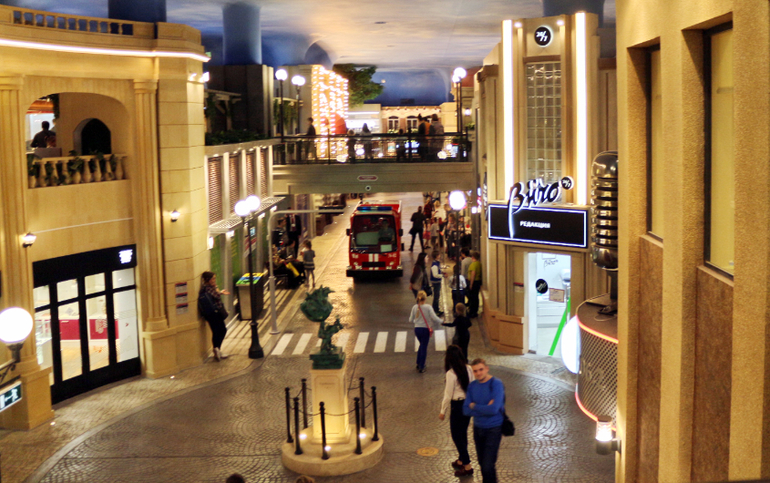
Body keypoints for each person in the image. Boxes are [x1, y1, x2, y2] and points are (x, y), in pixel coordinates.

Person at [463, 358, 505, 483]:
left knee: (487, 465)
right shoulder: (472, 386)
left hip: (493, 429)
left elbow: (494, 409)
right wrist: (485, 407)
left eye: (481, 369)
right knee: (483, 464)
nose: (479, 373)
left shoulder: (496, 384)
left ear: (487, 369)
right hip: (478, 429)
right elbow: (466, 410)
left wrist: (474, 406)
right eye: (475, 371)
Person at [439, 345, 474, 477]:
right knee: (462, 433)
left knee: (457, 436)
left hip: (457, 406)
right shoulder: (469, 368)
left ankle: (467, 465)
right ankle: (461, 460)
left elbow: (448, 395)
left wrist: (442, 411)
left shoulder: (451, 374)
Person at [198, 271, 230, 361]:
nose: (214, 280)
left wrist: (220, 292)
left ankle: (217, 350)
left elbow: (215, 295)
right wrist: (217, 288)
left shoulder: (206, 288)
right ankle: (217, 349)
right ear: (208, 280)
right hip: (215, 313)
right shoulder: (209, 288)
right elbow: (216, 295)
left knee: (217, 331)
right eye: (213, 279)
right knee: (221, 330)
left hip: (211, 314)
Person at [410, 290, 442, 373]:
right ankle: (421, 366)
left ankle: (418, 362)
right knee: (424, 347)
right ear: (425, 298)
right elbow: (434, 318)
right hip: (425, 330)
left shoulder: (414, 307)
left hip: (417, 329)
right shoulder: (428, 307)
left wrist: (417, 321)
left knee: (421, 345)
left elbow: (410, 319)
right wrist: (442, 321)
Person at [429, 250, 446, 317]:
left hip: (437, 282)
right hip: (436, 282)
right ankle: (435, 310)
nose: (440, 256)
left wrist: (442, 273)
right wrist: (442, 276)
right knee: (436, 297)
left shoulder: (437, 263)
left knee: (437, 296)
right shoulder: (434, 265)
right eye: (439, 255)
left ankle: (436, 309)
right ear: (436, 256)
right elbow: (435, 275)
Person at [468, 251, 483, 318]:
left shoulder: (473, 264)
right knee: (476, 297)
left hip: (474, 282)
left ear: (473, 257)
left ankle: (472, 312)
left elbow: (473, 274)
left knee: (472, 297)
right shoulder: (479, 264)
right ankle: (475, 311)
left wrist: (471, 284)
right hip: (478, 282)